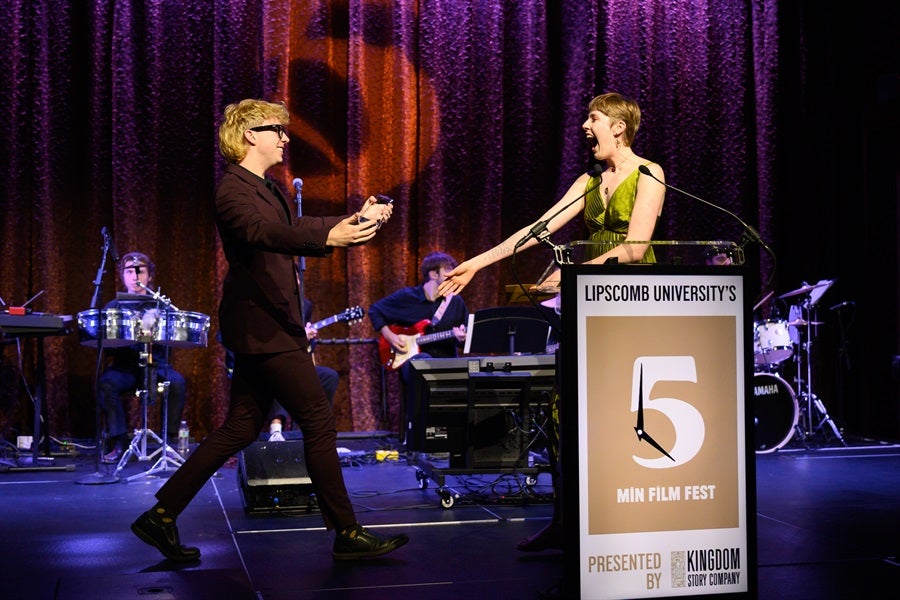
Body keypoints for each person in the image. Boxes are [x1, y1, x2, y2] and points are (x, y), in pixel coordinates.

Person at [130, 98, 407, 562]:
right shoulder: (232, 191)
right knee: (318, 420)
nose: (285, 137)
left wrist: (352, 221)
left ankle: (159, 517)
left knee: (239, 427)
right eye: (277, 129)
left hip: (271, 324)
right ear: (249, 135)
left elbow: (292, 226)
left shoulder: (267, 186)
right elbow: (264, 234)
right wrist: (329, 237)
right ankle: (346, 532)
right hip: (263, 327)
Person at [438, 92, 665, 553]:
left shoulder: (649, 173)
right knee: (565, 412)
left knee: (622, 411)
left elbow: (636, 248)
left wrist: (576, 272)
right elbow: (537, 229)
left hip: (631, 297)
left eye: (594, 118)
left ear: (619, 127)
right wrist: (478, 263)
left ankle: (625, 518)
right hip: (587, 300)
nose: (585, 125)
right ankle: (566, 519)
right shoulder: (588, 181)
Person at [368, 252, 468, 443]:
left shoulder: (455, 302)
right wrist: (390, 336)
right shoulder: (408, 297)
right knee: (424, 364)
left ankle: (454, 436)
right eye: (447, 272)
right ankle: (422, 436)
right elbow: (375, 310)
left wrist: (461, 337)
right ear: (433, 274)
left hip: (447, 360)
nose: (453, 276)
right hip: (413, 361)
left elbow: (465, 336)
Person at [97, 252, 186, 463]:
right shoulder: (113, 307)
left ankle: (169, 441)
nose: (135, 276)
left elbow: (174, 340)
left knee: (177, 383)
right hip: (125, 368)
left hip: (157, 366)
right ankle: (119, 442)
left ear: (149, 276)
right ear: (123, 276)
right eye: (129, 271)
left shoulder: (162, 306)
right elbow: (106, 349)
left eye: (140, 271)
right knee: (106, 384)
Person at [267, 298, 340, 441]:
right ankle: (275, 430)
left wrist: (306, 339)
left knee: (328, 376)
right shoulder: (269, 302)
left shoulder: (305, 305)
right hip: (270, 361)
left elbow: (307, 347)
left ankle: (319, 427)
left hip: (295, 362)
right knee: (280, 371)